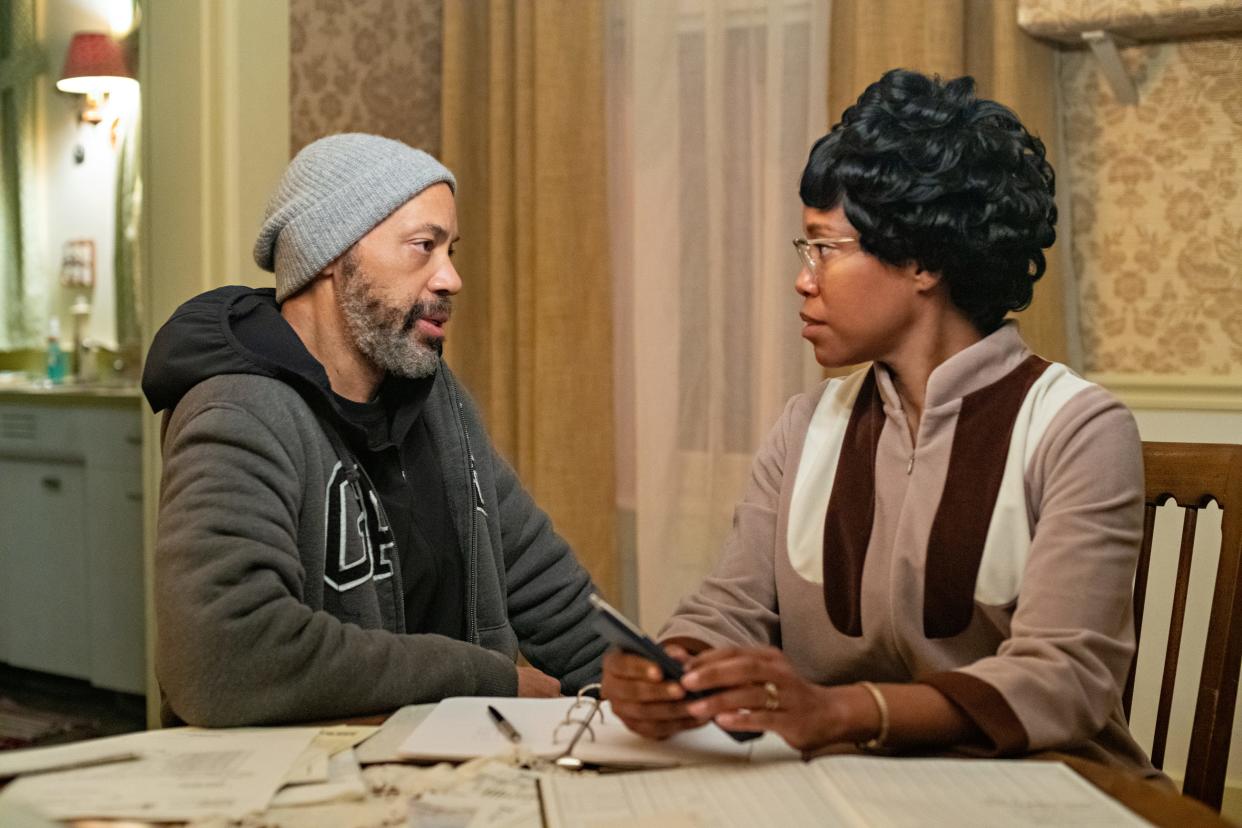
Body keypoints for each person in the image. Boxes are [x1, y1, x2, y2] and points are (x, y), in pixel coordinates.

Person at [602, 69, 1155, 773]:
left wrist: (840, 711)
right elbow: (728, 608)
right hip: (854, 789)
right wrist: (671, 669)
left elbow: (1062, 677)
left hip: (1053, 792)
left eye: (825, 248)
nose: (804, 278)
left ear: (923, 260)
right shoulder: (807, 425)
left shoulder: (1079, 429)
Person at [142, 134, 606, 727]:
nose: (451, 279)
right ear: (331, 255)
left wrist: (642, 683)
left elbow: (543, 585)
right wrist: (485, 680)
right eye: (423, 247)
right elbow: (224, 657)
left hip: (440, 780)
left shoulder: (438, 400)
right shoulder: (237, 410)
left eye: (450, 250)